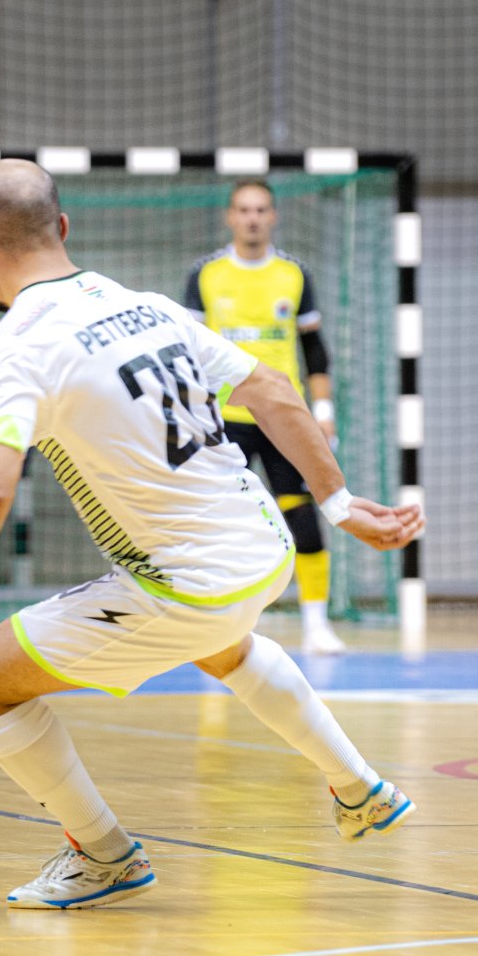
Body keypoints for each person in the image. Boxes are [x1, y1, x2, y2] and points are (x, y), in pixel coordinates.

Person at [0, 160, 423, 910]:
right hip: (264, 547)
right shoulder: (147, 305)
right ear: (63, 228)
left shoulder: (14, 350)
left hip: (189, 582)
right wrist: (339, 505)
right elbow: (274, 391)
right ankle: (361, 787)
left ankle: (104, 853)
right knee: (222, 640)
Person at [183, 179, 349, 654]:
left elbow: (314, 351)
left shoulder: (294, 274)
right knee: (213, 522)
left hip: (282, 416)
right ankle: (213, 625)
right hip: (222, 418)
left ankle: (316, 623)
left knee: (304, 513)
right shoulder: (206, 274)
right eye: (243, 210)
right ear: (230, 217)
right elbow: (188, 353)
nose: (252, 218)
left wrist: (323, 413)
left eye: (261, 210)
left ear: (273, 216)